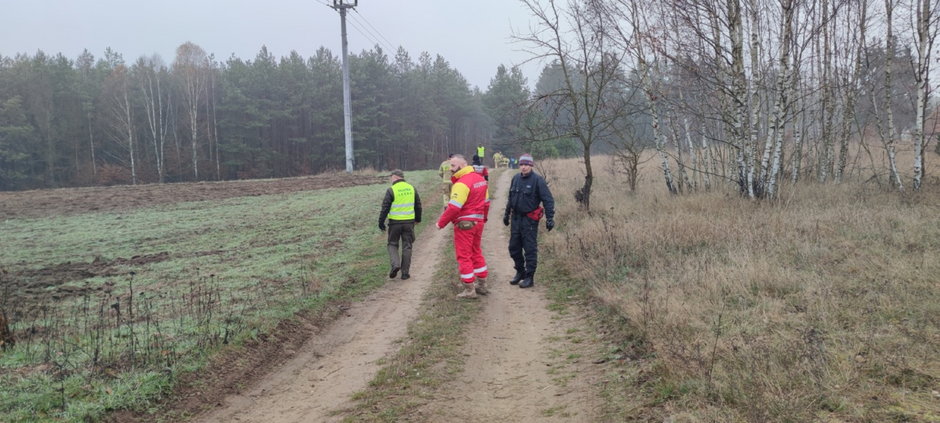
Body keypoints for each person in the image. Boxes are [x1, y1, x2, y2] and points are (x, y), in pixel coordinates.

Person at [437, 154, 490, 299]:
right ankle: (482, 284)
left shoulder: (461, 183)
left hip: (464, 224)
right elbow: (486, 203)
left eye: (453, 166)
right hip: (478, 223)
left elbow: (453, 207)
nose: (451, 169)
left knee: (464, 256)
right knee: (476, 252)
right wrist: (483, 218)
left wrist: (440, 223)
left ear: (462, 165)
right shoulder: (481, 180)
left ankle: (469, 289)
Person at [502, 153, 555, 288]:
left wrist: (550, 218)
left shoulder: (538, 180)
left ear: (531, 166)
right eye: (522, 164)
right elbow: (511, 198)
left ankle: (530, 277)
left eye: (527, 165)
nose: (524, 167)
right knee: (513, 248)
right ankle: (521, 272)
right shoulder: (515, 179)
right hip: (516, 219)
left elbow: (548, 200)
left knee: (529, 249)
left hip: (529, 220)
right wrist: (506, 214)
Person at [378, 169, 422, 280]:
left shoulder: (391, 190)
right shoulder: (412, 188)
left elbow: (385, 208)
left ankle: (395, 265)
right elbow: (418, 205)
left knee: (392, 244)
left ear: (395, 177)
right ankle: (405, 273)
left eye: (391, 177)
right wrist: (418, 219)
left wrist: (381, 222)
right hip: (409, 223)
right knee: (407, 246)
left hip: (394, 223)